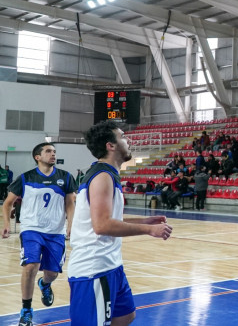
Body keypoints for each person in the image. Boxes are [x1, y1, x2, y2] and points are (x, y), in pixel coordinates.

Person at [67, 120, 172, 326]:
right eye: (123, 136)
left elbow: (104, 219)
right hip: (94, 269)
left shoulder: (108, 174)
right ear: (111, 145)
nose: (128, 140)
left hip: (112, 265)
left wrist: (144, 220)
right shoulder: (102, 176)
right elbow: (102, 225)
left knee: (125, 316)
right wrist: (149, 229)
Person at [1, 143, 76, 326]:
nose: (53, 154)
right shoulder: (25, 178)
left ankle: (45, 284)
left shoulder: (65, 177)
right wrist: (6, 224)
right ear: (37, 156)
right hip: (31, 229)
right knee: (30, 266)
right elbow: (7, 203)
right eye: (48, 151)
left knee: (51, 273)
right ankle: (26, 310)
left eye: (54, 151)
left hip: (55, 232)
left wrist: (71, 225)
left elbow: (70, 203)